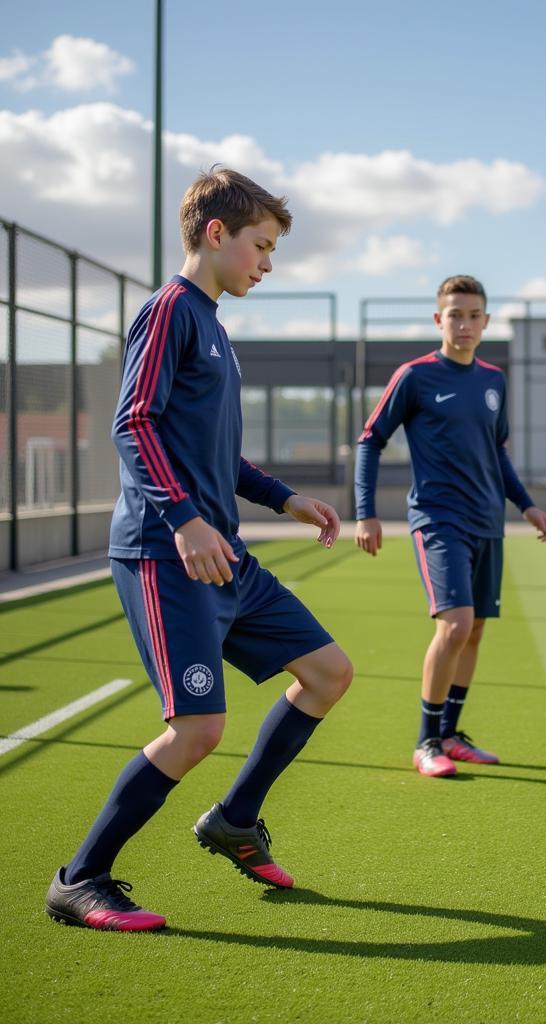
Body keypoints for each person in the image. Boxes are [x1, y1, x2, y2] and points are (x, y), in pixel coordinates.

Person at [45, 168, 353, 932]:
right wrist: (183, 520)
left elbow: (218, 456)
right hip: (166, 552)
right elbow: (134, 424)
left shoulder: (214, 325)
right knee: (198, 731)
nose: (267, 264)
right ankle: (79, 880)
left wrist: (285, 498)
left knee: (327, 672)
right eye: (261, 245)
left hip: (224, 556)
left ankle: (235, 819)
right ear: (216, 234)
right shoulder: (170, 312)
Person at [354, 275, 546, 777]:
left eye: (473, 316)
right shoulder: (415, 376)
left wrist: (526, 505)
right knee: (455, 623)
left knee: (476, 630)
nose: (464, 324)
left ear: (485, 322)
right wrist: (365, 512)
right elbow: (370, 439)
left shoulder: (493, 380)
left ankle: (450, 733)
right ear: (438, 319)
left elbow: (497, 453)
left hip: (489, 521)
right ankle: (426, 742)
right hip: (438, 519)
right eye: (455, 314)